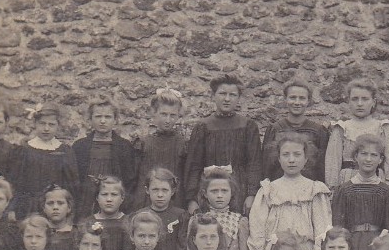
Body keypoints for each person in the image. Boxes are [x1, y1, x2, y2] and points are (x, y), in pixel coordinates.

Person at [248, 132, 333, 250]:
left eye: (297, 154)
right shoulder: (269, 189)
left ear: (306, 158)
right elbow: (257, 228)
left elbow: (322, 228)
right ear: (279, 159)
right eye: (286, 155)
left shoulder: (314, 189)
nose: (291, 160)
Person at [185, 74, 263, 215]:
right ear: (213, 95)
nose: (227, 99)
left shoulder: (248, 126)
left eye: (232, 95)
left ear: (238, 98)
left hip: (240, 190)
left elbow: (254, 163)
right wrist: (191, 199)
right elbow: (194, 166)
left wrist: (252, 194)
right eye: (222, 94)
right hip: (210, 190)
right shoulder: (203, 127)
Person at [330, 133, 389, 250]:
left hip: (378, 245)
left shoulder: (386, 191)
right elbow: (338, 225)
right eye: (364, 154)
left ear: (381, 159)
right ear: (355, 157)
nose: (368, 159)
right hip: (350, 245)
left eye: (374, 155)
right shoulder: (344, 190)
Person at [6, 102, 79, 220]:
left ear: (58, 126)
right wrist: (12, 209)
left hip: (56, 208)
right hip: (28, 208)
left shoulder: (65, 152)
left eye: (51, 124)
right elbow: (15, 183)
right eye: (42, 123)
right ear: (35, 124)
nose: (46, 128)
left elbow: (72, 185)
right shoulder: (24, 150)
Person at [325, 78, 389, 189]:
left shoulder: (382, 128)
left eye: (365, 99)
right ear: (349, 101)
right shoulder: (341, 128)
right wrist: (334, 189)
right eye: (355, 99)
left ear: (373, 101)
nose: (359, 104)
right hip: (347, 181)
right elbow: (332, 164)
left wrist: (387, 186)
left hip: (376, 181)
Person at [72, 99, 139, 217]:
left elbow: (129, 180)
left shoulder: (124, 146)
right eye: (98, 116)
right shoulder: (80, 146)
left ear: (115, 120)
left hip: (112, 199)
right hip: (86, 201)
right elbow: (74, 178)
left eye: (107, 117)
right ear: (90, 119)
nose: (102, 121)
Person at [260, 79, 329, 183]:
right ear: (285, 100)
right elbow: (266, 166)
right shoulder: (275, 129)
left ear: (308, 101)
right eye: (292, 97)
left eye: (302, 98)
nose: (297, 102)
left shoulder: (318, 131)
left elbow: (322, 167)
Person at [132, 88, 188, 210]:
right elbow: (134, 177)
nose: (168, 120)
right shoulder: (143, 143)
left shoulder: (183, 144)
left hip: (174, 199)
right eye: (163, 114)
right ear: (154, 113)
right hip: (146, 199)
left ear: (178, 116)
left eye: (172, 115)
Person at [195, 165, 251, 250]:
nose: (220, 195)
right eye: (214, 191)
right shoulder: (198, 220)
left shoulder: (239, 221)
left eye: (224, 191)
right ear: (205, 193)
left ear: (232, 193)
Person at [137, 167, 189, 250]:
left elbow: (182, 249)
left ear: (173, 191)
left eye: (165, 190)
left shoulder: (181, 215)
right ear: (147, 190)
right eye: (155, 190)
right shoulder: (139, 215)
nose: (160, 195)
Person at [84, 175, 134, 250]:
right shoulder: (89, 222)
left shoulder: (128, 222)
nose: (109, 199)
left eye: (114, 194)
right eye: (104, 194)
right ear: (97, 197)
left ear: (122, 198)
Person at [41, 185, 80, 250]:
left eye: (60, 203)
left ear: (69, 207)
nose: (55, 207)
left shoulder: (77, 233)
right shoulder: (40, 234)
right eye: (50, 203)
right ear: (44, 208)